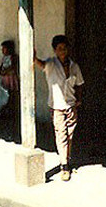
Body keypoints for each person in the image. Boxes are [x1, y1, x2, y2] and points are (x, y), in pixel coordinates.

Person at [34, 35, 84, 181]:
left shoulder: (74, 66)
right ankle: (64, 166)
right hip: (57, 107)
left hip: (71, 105)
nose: (63, 51)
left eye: (65, 48)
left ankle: (66, 159)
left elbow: (79, 84)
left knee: (69, 135)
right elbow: (39, 64)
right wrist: (33, 56)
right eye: (60, 48)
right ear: (55, 50)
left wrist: (78, 100)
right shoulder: (51, 64)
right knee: (61, 134)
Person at [0, 40, 19, 135]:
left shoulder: (13, 57)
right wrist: (0, 70)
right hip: (5, 78)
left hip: (11, 78)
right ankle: (6, 111)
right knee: (5, 94)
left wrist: (5, 71)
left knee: (12, 94)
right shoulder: (4, 58)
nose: (2, 50)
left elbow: (13, 67)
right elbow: (1, 66)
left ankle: (12, 112)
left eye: (4, 48)